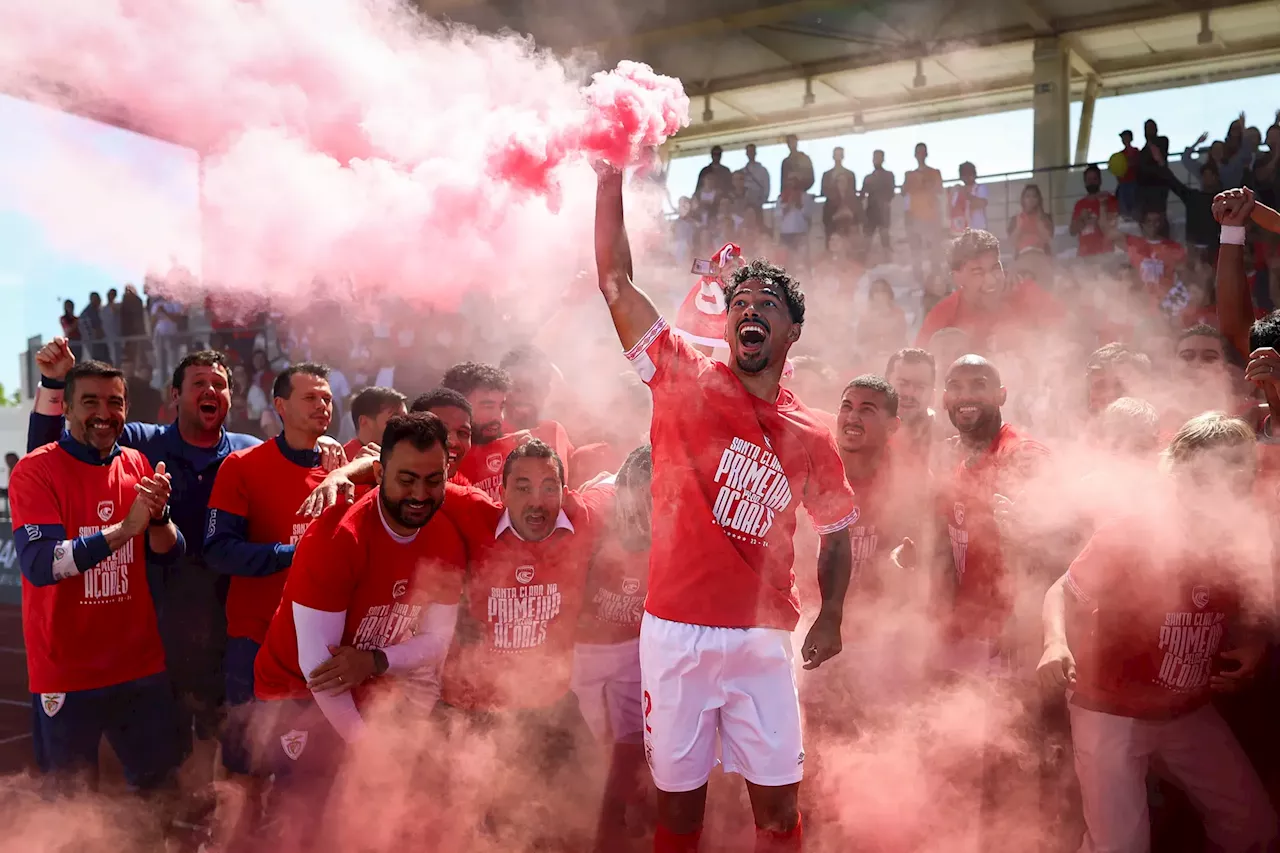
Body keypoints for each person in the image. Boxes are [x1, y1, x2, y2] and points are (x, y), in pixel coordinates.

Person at [595, 162, 856, 853]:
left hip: (762, 639)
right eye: (741, 302)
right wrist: (609, 177)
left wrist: (831, 616)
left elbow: (836, 532)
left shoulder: (811, 433)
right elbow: (616, 283)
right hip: (675, 632)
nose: (750, 310)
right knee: (680, 814)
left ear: (792, 332)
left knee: (777, 812)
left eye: (768, 304)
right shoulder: (680, 372)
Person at [1037, 412, 1277, 853]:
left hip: (1186, 710)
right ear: (1178, 472)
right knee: (1121, 846)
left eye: (1235, 467)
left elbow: (1251, 607)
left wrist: (1255, 644)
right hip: (1109, 708)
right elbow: (1063, 590)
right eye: (1206, 470)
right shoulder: (1133, 532)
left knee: (1254, 828)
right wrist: (1055, 643)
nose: (1222, 481)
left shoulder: (1245, 534)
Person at [28, 343, 270, 772]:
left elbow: (293, 461)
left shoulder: (249, 452)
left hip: (224, 623)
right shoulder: (143, 446)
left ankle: (211, 830)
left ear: (232, 396)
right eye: (199, 383)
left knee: (225, 741)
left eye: (219, 384)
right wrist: (55, 383)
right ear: (174, 395)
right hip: (160, 628)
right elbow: (55, 452)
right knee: (164, 761)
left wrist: (323, 444)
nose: (210, 390)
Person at [251, 413, 466, 838]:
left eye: (433, 479)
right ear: (380, 471)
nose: (420, 494)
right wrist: (373, 753)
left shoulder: (445, 538)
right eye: (406, 479)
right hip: (297, 692)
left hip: (369, 682)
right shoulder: (338, 537)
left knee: (380, 821)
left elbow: (436, 644)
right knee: (305, 822)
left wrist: (376, 663)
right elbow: (320, 673)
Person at [11, 360, 185, 792]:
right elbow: (41, 564)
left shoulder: (138, 462)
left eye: (115, 402)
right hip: (67, 672)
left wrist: (160, 517)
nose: (104, 413)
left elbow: (167, 552)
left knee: (159, 792)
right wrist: (125, 528)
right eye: (90, 402)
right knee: (71, 804)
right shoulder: (36, 470)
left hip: (138, 666)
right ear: (66, 409)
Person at [204, 363, 334, 778]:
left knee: (312, 773)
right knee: (245, 768)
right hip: (255, 642)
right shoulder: (242, 466)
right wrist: (293, 554)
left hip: (324, 650)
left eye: (327, 398)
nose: (322, 406)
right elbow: (218, 551)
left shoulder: (344, 469)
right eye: (310, 398)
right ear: (280, 405)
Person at [570, 445, 653, 852]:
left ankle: (626, 835)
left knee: (634, 752)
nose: (641, 522)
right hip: (582, 654)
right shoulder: (591, 509)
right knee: (591, 753)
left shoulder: (689, 510)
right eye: (635, 506)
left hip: (636, 651)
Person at [915, 229, 1060, 351]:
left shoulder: (1022, 292)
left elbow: (1068, 331)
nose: (991, 280)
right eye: (978, 272)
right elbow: (918, 367)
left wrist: (1026, 338)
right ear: (957, 278)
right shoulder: (944, 316)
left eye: (995, 268)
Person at [499, 343, 574, 458]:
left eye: (533, 386)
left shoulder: (555, 431)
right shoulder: (488, 437)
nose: (524, 394)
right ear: (501, 389)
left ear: (546, 390)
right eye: (516, 386)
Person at [410, 387, 475, 485]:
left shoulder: (463, 492)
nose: (453, 442)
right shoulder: (384, 485)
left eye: (463, 433)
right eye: (441, 430)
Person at [885, 348, 939, 460]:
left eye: (920, 387)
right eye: (902, 384)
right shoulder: (866, 434)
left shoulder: (943, 443)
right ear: (885, 385)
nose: (909, 393)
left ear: (932, 394)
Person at [904, 142, 944, 282]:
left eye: (922, 152)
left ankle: (936, 276)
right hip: (915, 215)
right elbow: (905, 193)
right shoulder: (909, 175)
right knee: (916, 249)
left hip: (931, 215)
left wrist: (926, 184)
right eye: (918, 152)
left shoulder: (934, 172)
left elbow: (939, 190)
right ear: (915, 155)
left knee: (934, 248)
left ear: (926, 154)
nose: (920, 155)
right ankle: (918, 278)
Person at [344, 386, 407, 459]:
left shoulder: (407, 457)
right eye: (395, 419)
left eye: (406, 419)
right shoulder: (338, 461)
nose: (405, 425)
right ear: (364, 421)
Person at [1070, 165, 1118, 258]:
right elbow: (1072, 231)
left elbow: (1113, 225)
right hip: (1084, 255)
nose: (1091, 182)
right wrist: (1082, 218)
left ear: (1100, 180)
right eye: (1089, 179)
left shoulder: (1109, 199)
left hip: (1105, 254)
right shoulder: (1079, 204)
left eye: (1094, 179)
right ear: (1085, 182)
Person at [862, 150, 895, 253]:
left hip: (883, 209)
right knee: (867, 239)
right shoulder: (868, 178)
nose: (876, 160)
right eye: (875, 158)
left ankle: (888, 260)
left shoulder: (888, 175)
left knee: (885, 237)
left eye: (878, 158)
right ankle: (865, 263)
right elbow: (862, 194)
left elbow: (890, 193)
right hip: (871, 210)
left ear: (883, 159)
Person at [1008, 184, 1053, 256]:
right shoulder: (1016, 219)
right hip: (1022, 257)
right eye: (1028, 196)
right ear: (1023, 199)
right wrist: (1020, 226)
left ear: (1039, 199)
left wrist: (1039, 220)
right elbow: (1012, 242)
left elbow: (1048, 239)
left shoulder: (1046, 217)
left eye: (1034, 196)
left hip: (1042, 256)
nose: (1031, 199)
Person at [947, 161, 988, 234]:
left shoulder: (980, 188)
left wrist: (965, 193)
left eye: (969, 173)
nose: (967, 177)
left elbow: (981, 204)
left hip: (978, 229)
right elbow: (952, 210)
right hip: (961, 231)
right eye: (964, 174)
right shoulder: (957, 191)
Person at [738, 143, 770, 228]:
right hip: (746, 203)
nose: (751, 153)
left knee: (759, 226)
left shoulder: (763, 170)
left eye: (752, 151)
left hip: (758, 203)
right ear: (746, 153)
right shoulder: (743, 171)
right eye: (749, 151)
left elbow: (767, 186)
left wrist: (763, 199)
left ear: (755, 153)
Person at [1115, 130, 1140, 219]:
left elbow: (1137, 163)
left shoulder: (1135, 151)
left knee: (1134, 207)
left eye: (1125, 137)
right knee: (1124, 209)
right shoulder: (1120, 154)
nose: (1124, 139)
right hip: (1123, 183)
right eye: (1123, 138)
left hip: (1134, 182)